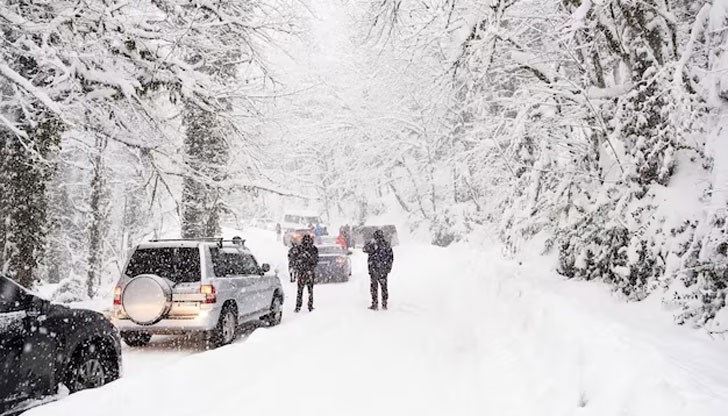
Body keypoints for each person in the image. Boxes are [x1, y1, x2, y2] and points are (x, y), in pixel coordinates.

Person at [363, 229, 394, 310]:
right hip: (383, 270)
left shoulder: (372, 245)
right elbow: (391, 257)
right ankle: (384, 304)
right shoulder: (386, 245)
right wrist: (388, 267)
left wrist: (370, 243)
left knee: (374, 288)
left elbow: (364, 249)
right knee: (384, 287)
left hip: (374, 269)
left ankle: (375, 304)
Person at [288, 234, 319, 312]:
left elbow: (294, 258)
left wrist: (299, 265)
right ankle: (309, 306)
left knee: (300, 290)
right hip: (308, 272)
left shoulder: (300, 248)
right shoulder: (313, 249)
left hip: (302, 272)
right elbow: (316, 260)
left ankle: (298, 306)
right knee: (309, 290)